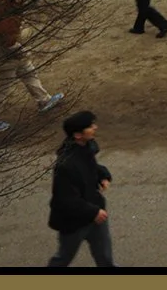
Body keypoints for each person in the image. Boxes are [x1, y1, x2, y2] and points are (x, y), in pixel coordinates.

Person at [0, 0, 64, 131]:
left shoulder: (3, 3)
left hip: (12, 51)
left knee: (29, 73)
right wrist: (21, 44)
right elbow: (8, 41)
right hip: (6, 54)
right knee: (2, 87)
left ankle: (44, 100)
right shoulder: (7, 16)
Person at [46, 110, 114, 267]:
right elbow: (66, 199)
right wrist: (94, 212)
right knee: (62, 259)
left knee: (105, 258)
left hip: (95, 215)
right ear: (78, 135)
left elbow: (91, 167)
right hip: (74, 222)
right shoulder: (66, 165)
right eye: (90, 126)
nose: (95, 127)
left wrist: (102, 175)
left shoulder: (86, 148)